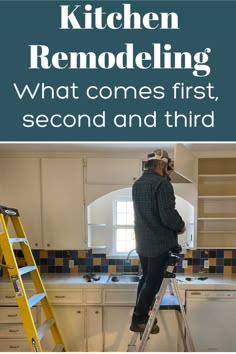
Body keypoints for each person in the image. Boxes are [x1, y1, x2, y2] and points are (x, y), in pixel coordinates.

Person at [130, 149, 186, 333]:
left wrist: (166, 176)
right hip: (159, 243)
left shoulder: (138, 184)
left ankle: (139, 317)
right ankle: (139, 319)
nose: (170, 169)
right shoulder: (162, 185)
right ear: (162, 164)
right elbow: (167, 215)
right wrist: (180, 226)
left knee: (146, 279)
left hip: (143, 243)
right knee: (153, 282)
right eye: (169, 165)